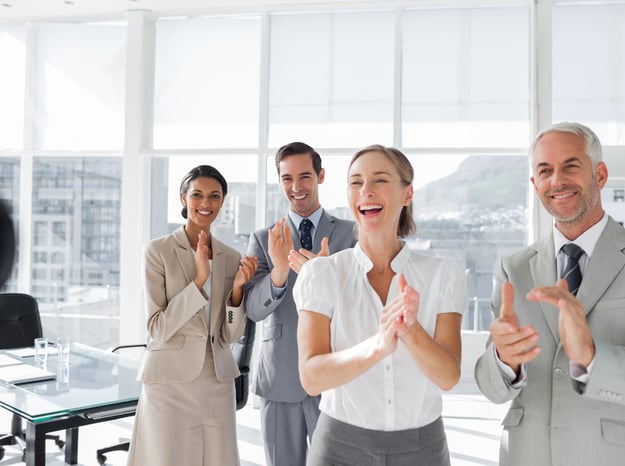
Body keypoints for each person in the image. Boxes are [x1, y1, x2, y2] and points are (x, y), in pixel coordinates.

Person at [474, 122, 625, 466]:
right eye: (545, 171)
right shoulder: (513, 269)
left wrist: (592, 357)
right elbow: (491, 389)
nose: (557, 180)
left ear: (601, 174)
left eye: (571, 166)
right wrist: (504, 361)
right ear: (535, 184)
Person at [294, 144, 467, 465]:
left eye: (380, 180)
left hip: (423, 448)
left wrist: (411, 332)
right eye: (356, 182)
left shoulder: (442, 274)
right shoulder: (322, 274)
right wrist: (377, 346)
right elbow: (311, 377)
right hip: (338, 448)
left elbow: (448, 377)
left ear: (407, 193)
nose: (366, 191)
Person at [127, 165, 258, 466]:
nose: (206, 203)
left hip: (217, 380)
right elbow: (157, 327)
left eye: (215, 196)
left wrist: (237, 291)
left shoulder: (231, 256)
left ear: (223, 202)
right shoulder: (157, 250)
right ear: (183, 198)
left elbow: (231, 335)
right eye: (197, 194)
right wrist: (198, 282)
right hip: (168, 381)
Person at [245, 142, 356, 466]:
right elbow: (253, 309)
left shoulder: (351, 234)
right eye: (287, 178)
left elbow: (363, 298)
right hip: (280, 378)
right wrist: (279, 273)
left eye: (305, 176)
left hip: (334, 373)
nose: (296, 187)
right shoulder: (264, 238)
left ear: (320, 176)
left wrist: (325, 276)